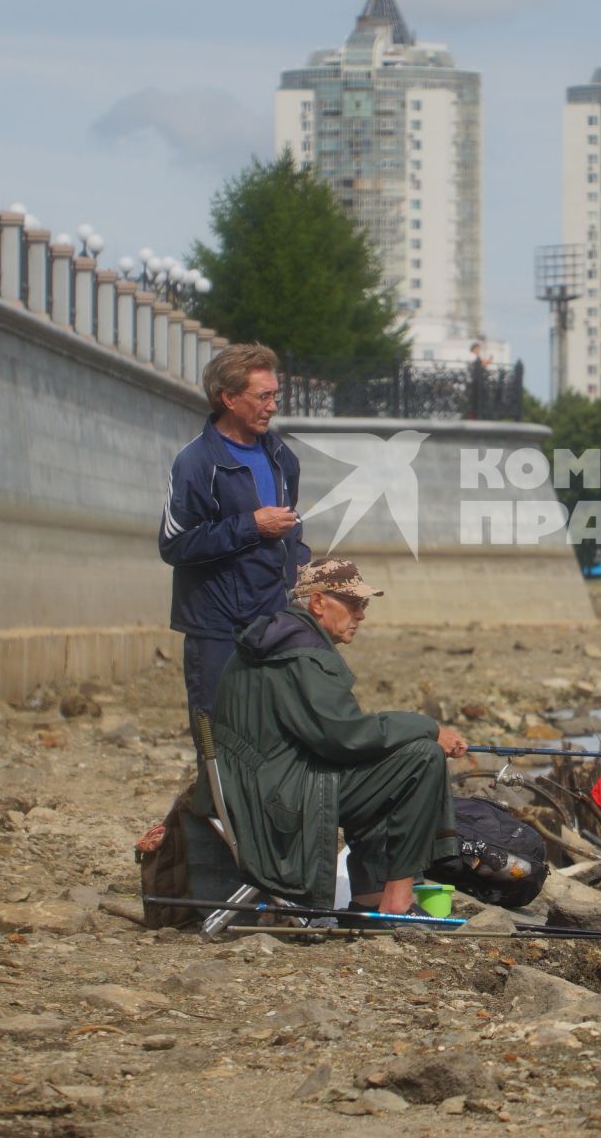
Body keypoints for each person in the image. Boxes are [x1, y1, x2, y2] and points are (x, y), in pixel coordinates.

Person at [208, 559, 467, 914]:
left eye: (365, 604)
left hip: (255, 786)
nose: (361, 615)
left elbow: (330, 736)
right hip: (281, 799)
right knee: (421, 759)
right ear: (318, 603)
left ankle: (370, 896)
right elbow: (344, 736)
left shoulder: (273, 641)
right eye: (355, 603)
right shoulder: (304, 653)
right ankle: (396, 900)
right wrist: (429, 727)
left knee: (391, 761)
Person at [159, 343, 310, 730]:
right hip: (216, 630)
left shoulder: (282, 457)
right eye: (263, 396)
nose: (273, 406)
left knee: (277, 731)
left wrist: (302, 572)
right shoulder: (196, 463)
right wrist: (252, 526)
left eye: (275, 395)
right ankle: (214, 795)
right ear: (228, 398)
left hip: (274, 620)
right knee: (218, 737)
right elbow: (174, 543)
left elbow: (292, 526)